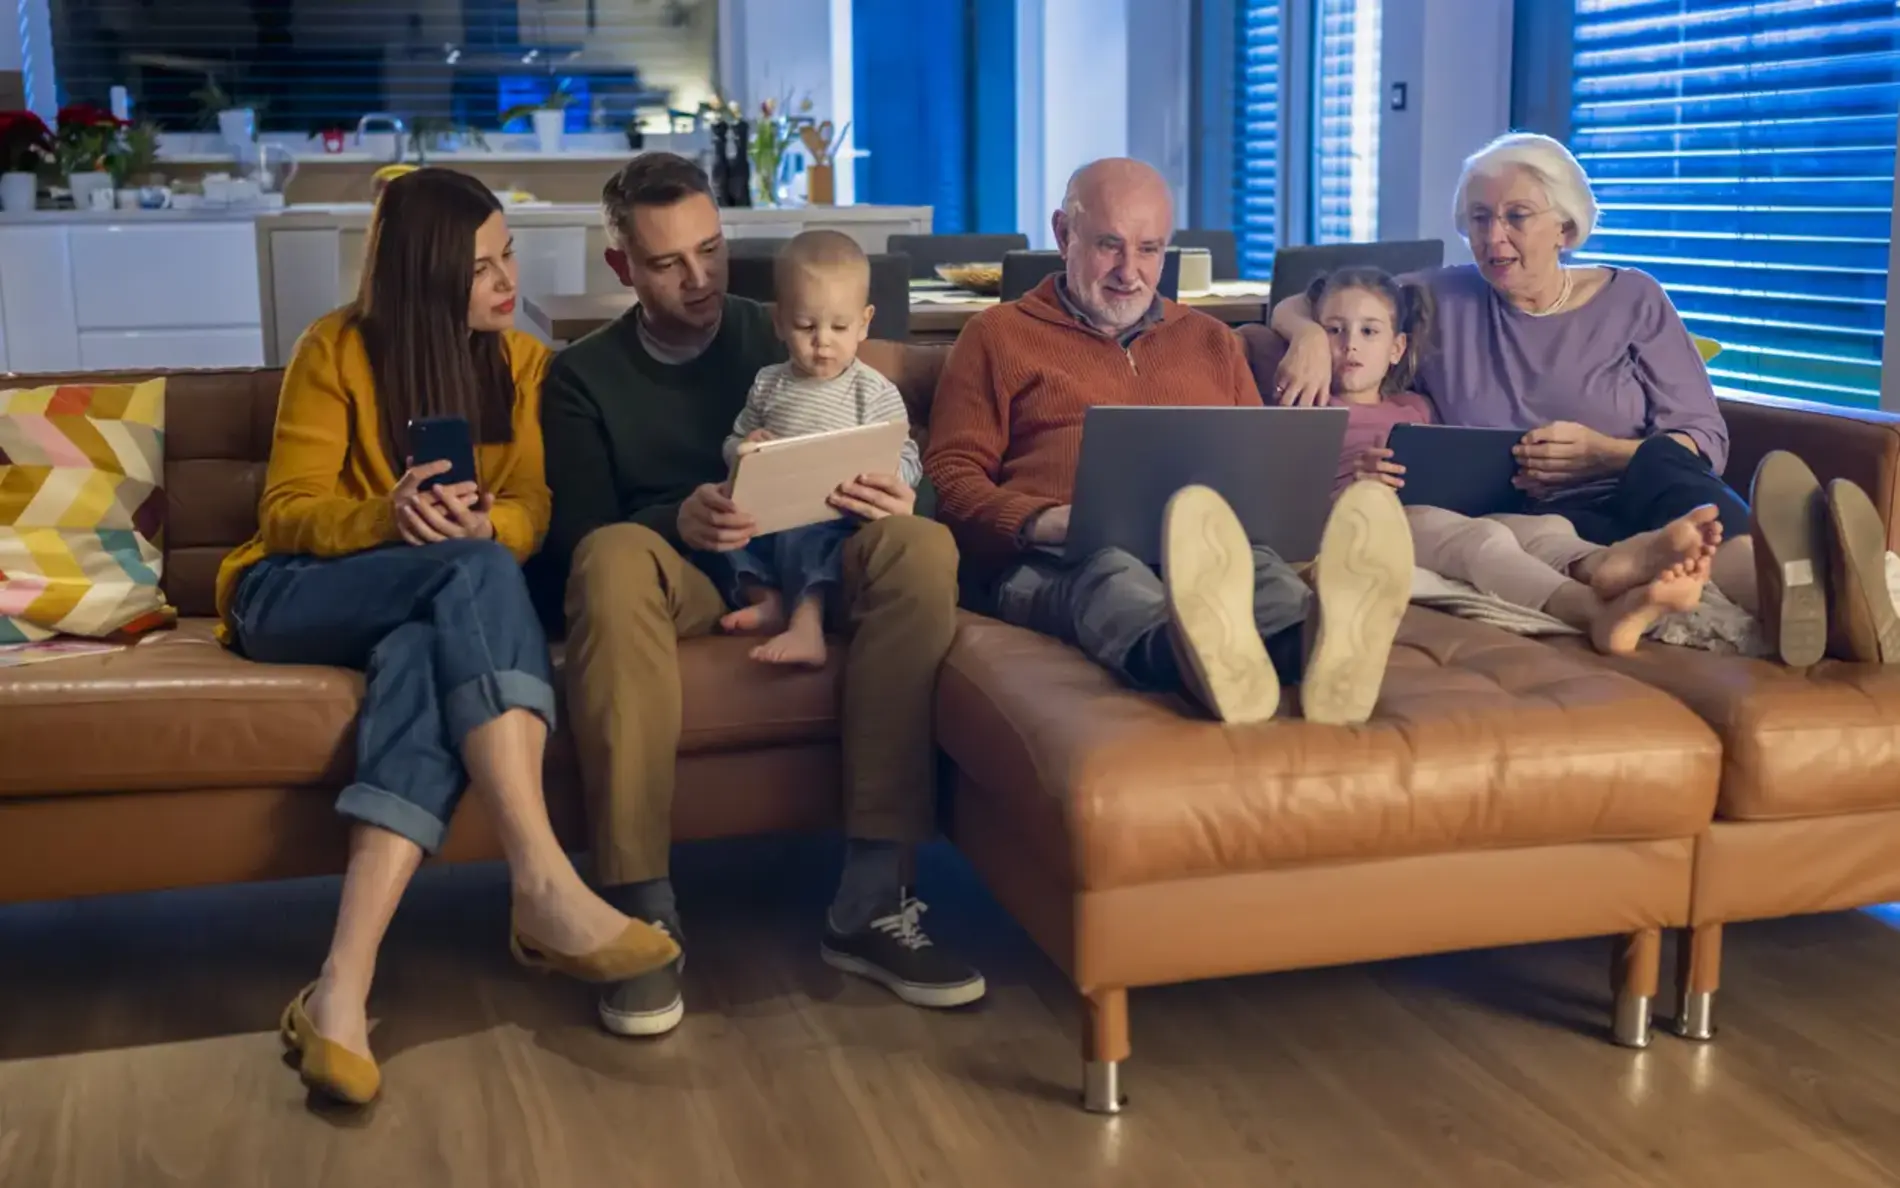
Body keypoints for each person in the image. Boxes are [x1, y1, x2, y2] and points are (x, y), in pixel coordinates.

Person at [214, 168, 678, 1105]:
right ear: (427, 277)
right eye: (481, 268)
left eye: (509, 255)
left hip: (424, 607)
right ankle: (541, 879)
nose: (509, 280)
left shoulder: (525, 365)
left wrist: (486, 524)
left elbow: (533, 509)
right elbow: (287, 512)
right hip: (293, 593)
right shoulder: (334, 348)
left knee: (432, 643)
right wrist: (389, 518)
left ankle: (340, 992)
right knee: (473, 571)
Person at [540, 153, 984, 1041]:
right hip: (687, 578)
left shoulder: (791, 324)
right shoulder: (583, 377)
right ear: (622, 266)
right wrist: (680, 518)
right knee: (612, 556)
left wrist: (909, 498)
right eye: (668, 263)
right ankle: (639, 912)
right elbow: (572, 550)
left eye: (710, 249)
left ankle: (871, 899)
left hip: (820, 558)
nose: (700, 278)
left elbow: (893, 448)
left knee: (922, 545)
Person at [1270, 131, 1820, 665]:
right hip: (1541, 519)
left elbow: (1704, 438)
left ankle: (1792, 594)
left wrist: (1604, 453)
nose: (1494, 236)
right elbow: (1325, 298)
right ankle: (1781, 583)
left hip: (1640, 493)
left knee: (1666, 463)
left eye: (1517, 216)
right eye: (1480, 218)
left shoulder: (1634, 299)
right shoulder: (1442, 297)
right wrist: (1309, 334)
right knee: (1557, 536)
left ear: (1565, 225)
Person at [925, 157, 1415, 728]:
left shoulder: (1211, 340)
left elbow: (1261, 469)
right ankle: (1194, 656)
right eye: (1109, 245)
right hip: (1054, 558)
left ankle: (1317, 649)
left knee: (1259, 568)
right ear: (1063, 234)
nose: (1129, 272)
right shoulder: (996, 336)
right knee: (1110, 571)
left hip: (1205, 551)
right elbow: (949, 478)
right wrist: (1041, 520)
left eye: (1150, 249)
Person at [1312, 265, 1719, 654]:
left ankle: (1604, 564)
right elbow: (1293, 500)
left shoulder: (1418, 406)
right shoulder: (1310, 407)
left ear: (1397, 348)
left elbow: (1450, 461)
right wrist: (1353, 491)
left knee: (1544, 528)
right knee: (1481, 541)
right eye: (1333, 330)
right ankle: (1594, 612)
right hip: (1370, 523)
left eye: (1369, 331)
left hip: (1446, 512)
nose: (1350, 344)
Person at [712, 230, 924, 667]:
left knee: (809, 540)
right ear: (779, 321)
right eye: (806, 326)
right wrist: (742, 449)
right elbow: (734, 440)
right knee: (717, 535)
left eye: (839, 327)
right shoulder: (768, 384)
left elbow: (906, 456)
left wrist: (890, 478)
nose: (822, 341)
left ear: (864, 322)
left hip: (833, 516)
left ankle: (806, 625)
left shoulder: (873, 391)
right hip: (768, 512)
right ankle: (767, 599)